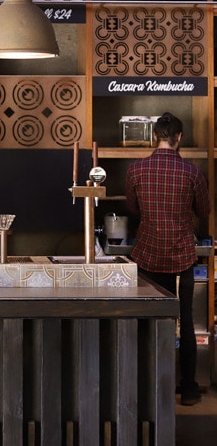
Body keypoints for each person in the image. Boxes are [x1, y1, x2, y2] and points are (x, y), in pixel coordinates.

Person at [125, 112, 211, 406]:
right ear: (180, 138)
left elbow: (133, 209)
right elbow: (204, 209)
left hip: (147, 255)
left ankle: (150, 388)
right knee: (185, 322)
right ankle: (188, 389)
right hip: (182, 255)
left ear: (154, 137)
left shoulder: (136, 169)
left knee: (149, 322)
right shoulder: (192, 172)